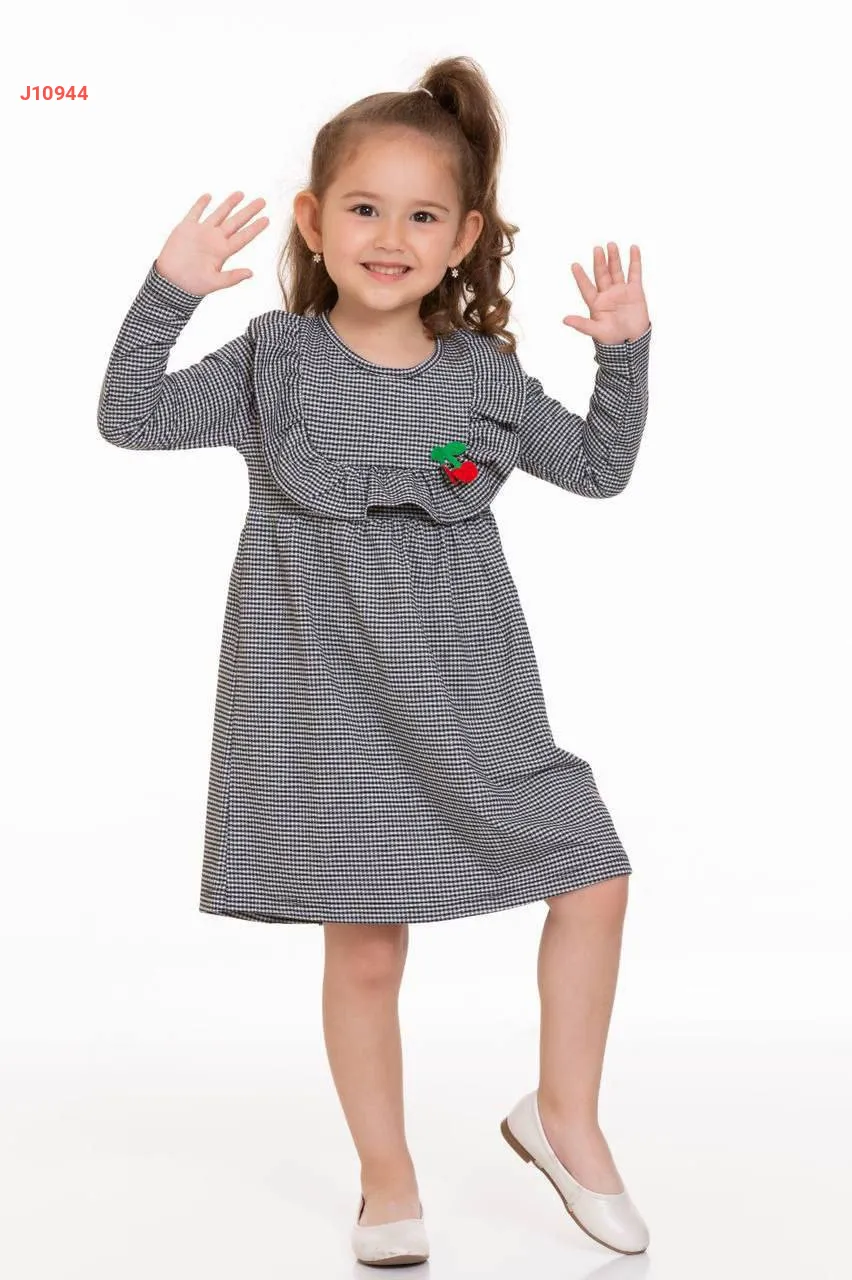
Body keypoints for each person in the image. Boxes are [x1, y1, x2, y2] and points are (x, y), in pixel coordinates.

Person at [97, 54, 653, 1267]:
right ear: (313, 220)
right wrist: (168, 290)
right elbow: (129, 416)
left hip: (472, 697)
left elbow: (598, 469)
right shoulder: (273, 365)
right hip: (329, 704)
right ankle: (386, 1176)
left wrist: (624, 356)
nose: (390, 238)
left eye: (421, 215)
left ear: (463, 239)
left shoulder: (483, 376)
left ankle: (563, 1116)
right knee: (364, 946)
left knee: (595, 875)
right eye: (363, 207)